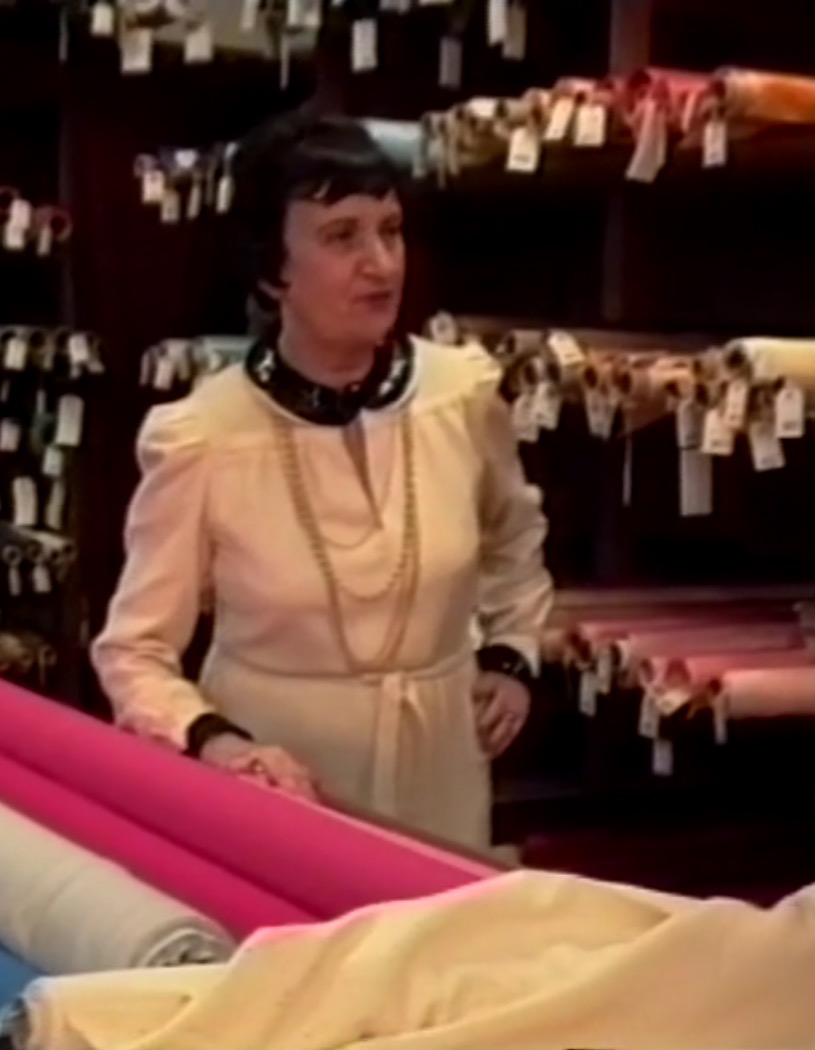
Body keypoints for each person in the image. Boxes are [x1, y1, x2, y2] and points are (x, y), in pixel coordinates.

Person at [90, 109, 553, 850]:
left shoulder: (459, 396)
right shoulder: (206, 436)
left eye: (390, 230)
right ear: (272, 270)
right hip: (277, 784)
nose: (382, 263)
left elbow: (514, 538)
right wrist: (215, 742)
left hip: (441, 768)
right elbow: (133, 652)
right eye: (342, 237)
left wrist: (510, 653)